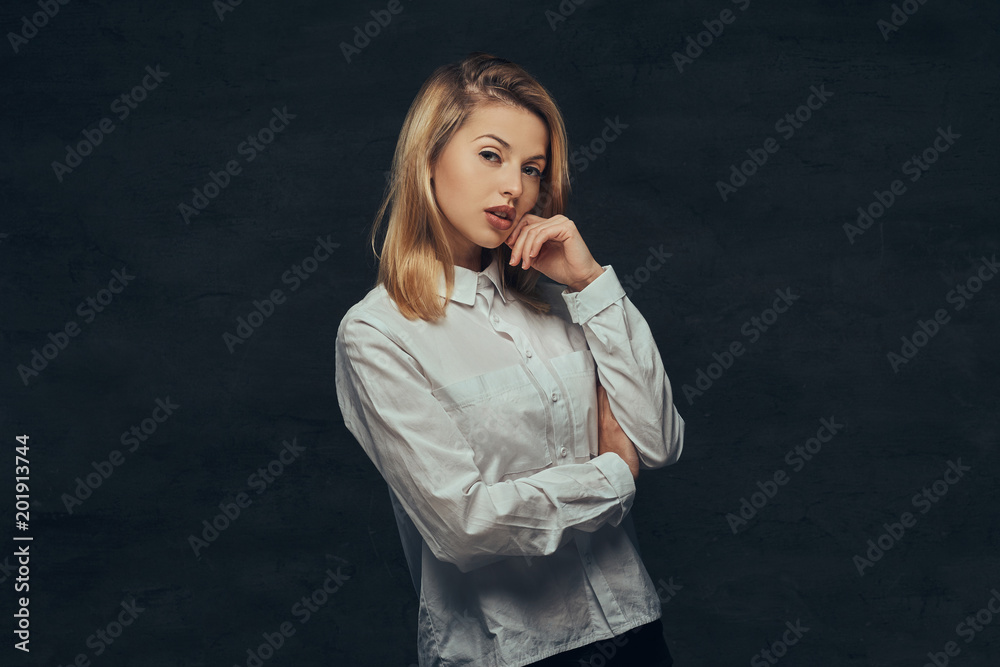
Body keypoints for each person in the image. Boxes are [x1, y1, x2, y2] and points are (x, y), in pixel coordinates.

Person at [335, 52, 685, 667]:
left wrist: (590, 283)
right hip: (507, 655)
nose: (514, 187)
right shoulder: (377, 333)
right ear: (429, 158)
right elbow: (464, 525)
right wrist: (611, 475)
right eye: (491, 155)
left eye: (532, 168)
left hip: (634, 633)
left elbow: (658, 442)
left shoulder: (562, 303)